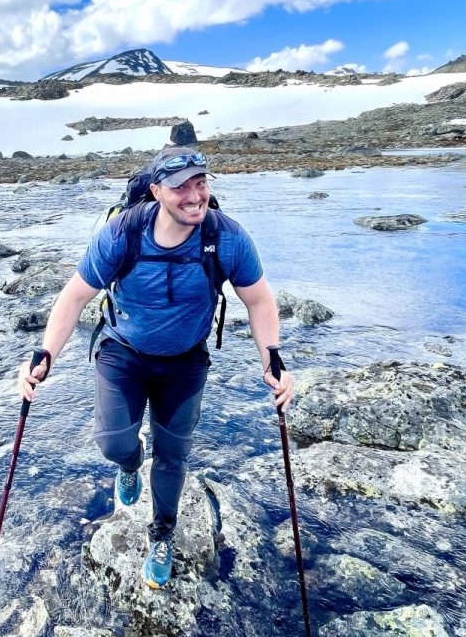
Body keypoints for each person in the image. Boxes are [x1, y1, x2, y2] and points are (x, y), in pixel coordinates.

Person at [16, 146, 294, 589]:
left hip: (185, 362)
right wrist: (45, 355)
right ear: (156, 191)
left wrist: (273, 358)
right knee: (112, 442)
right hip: (122, 354)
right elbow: (73, 297)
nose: (194, 195)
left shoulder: (227, 238)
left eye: (200, 183)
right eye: (181, 186)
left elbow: (258, 300)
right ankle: (129, 464)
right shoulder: (121, 235)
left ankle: (161, 534)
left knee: (174, 455)